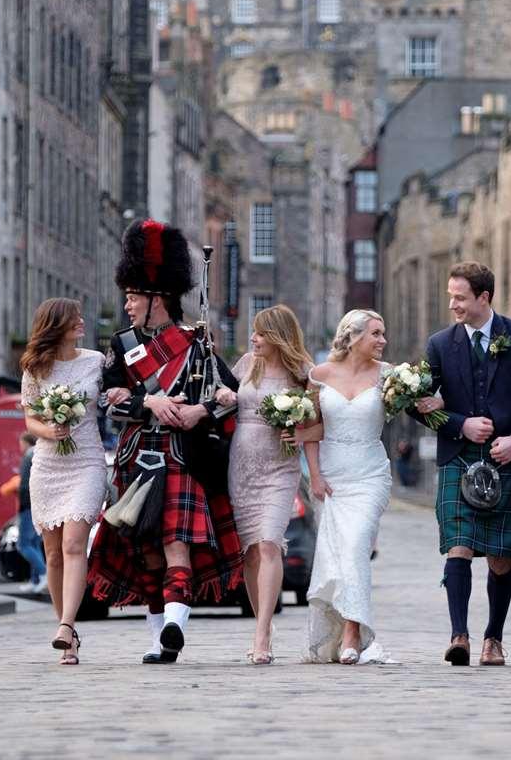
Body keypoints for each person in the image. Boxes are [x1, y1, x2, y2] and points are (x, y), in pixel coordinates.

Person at [87, 219, 243, 664]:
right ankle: (160, 639)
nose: (128, 304)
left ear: (159, 298)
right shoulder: (123, 345)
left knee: (176, 547)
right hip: (138, 459)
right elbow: (110, 401)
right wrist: (151, 403)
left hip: (180, 457)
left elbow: (232, 396)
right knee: (150, 556)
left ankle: (174, 626)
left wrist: (200, 411)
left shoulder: (197, 343)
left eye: (134, 296)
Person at [414, 260, 511, 666]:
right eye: (451, 297)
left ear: (484, 297)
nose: (453, 305)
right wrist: (460, 424)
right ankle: (459, 636)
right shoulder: (440, 344)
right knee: (458, 546)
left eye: (460, 297)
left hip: (505, 458)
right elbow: (417, 403)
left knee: (500, 555)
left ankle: (493, 638)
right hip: (460, 455)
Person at [216, 304, 319, 664]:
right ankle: (263, 624)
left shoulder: (303, 373)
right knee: (250, 551)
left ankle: (262, 635)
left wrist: (300, 428)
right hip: (242, 465)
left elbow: (321, 419)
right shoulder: (247, 364)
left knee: (270, 543)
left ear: (277, 336)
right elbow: (223, 394)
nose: (254, 338)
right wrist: (225, 396)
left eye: (260, 333)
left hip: (280, 467)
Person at [19, 299, 107, 663]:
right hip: (48, 466)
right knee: (53, 554)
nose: (82, 323)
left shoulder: (96, 362)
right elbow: (30, 422)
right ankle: (66, 633)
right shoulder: (35, 368)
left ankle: (67, 625)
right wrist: (51, 429)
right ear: (57, 324)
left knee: (74, 544)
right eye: (75, 319)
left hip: (87, 460)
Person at [304, 309, 393, 664]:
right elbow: (309, 428)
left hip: (371, 474)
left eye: (383, 334)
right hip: (331, 477)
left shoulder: (390, 377)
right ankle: (338, 630)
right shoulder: (319, 376)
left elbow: (423, 406)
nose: (383, 340)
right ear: (354, 337)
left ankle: (354, 633)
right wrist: (314, 475)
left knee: (356, 546)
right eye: (376, 334)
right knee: (335, 557)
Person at [13, 433, 47, 595]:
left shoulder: (28, 456)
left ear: (26, 442)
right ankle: (35, 580)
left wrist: (22, 501)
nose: (19, 446)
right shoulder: (39, 453)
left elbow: (25, 485)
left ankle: (43, 573)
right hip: (40, 504)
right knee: (34, 544)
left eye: (20, 442)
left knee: (24, 544)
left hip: (29, 506)